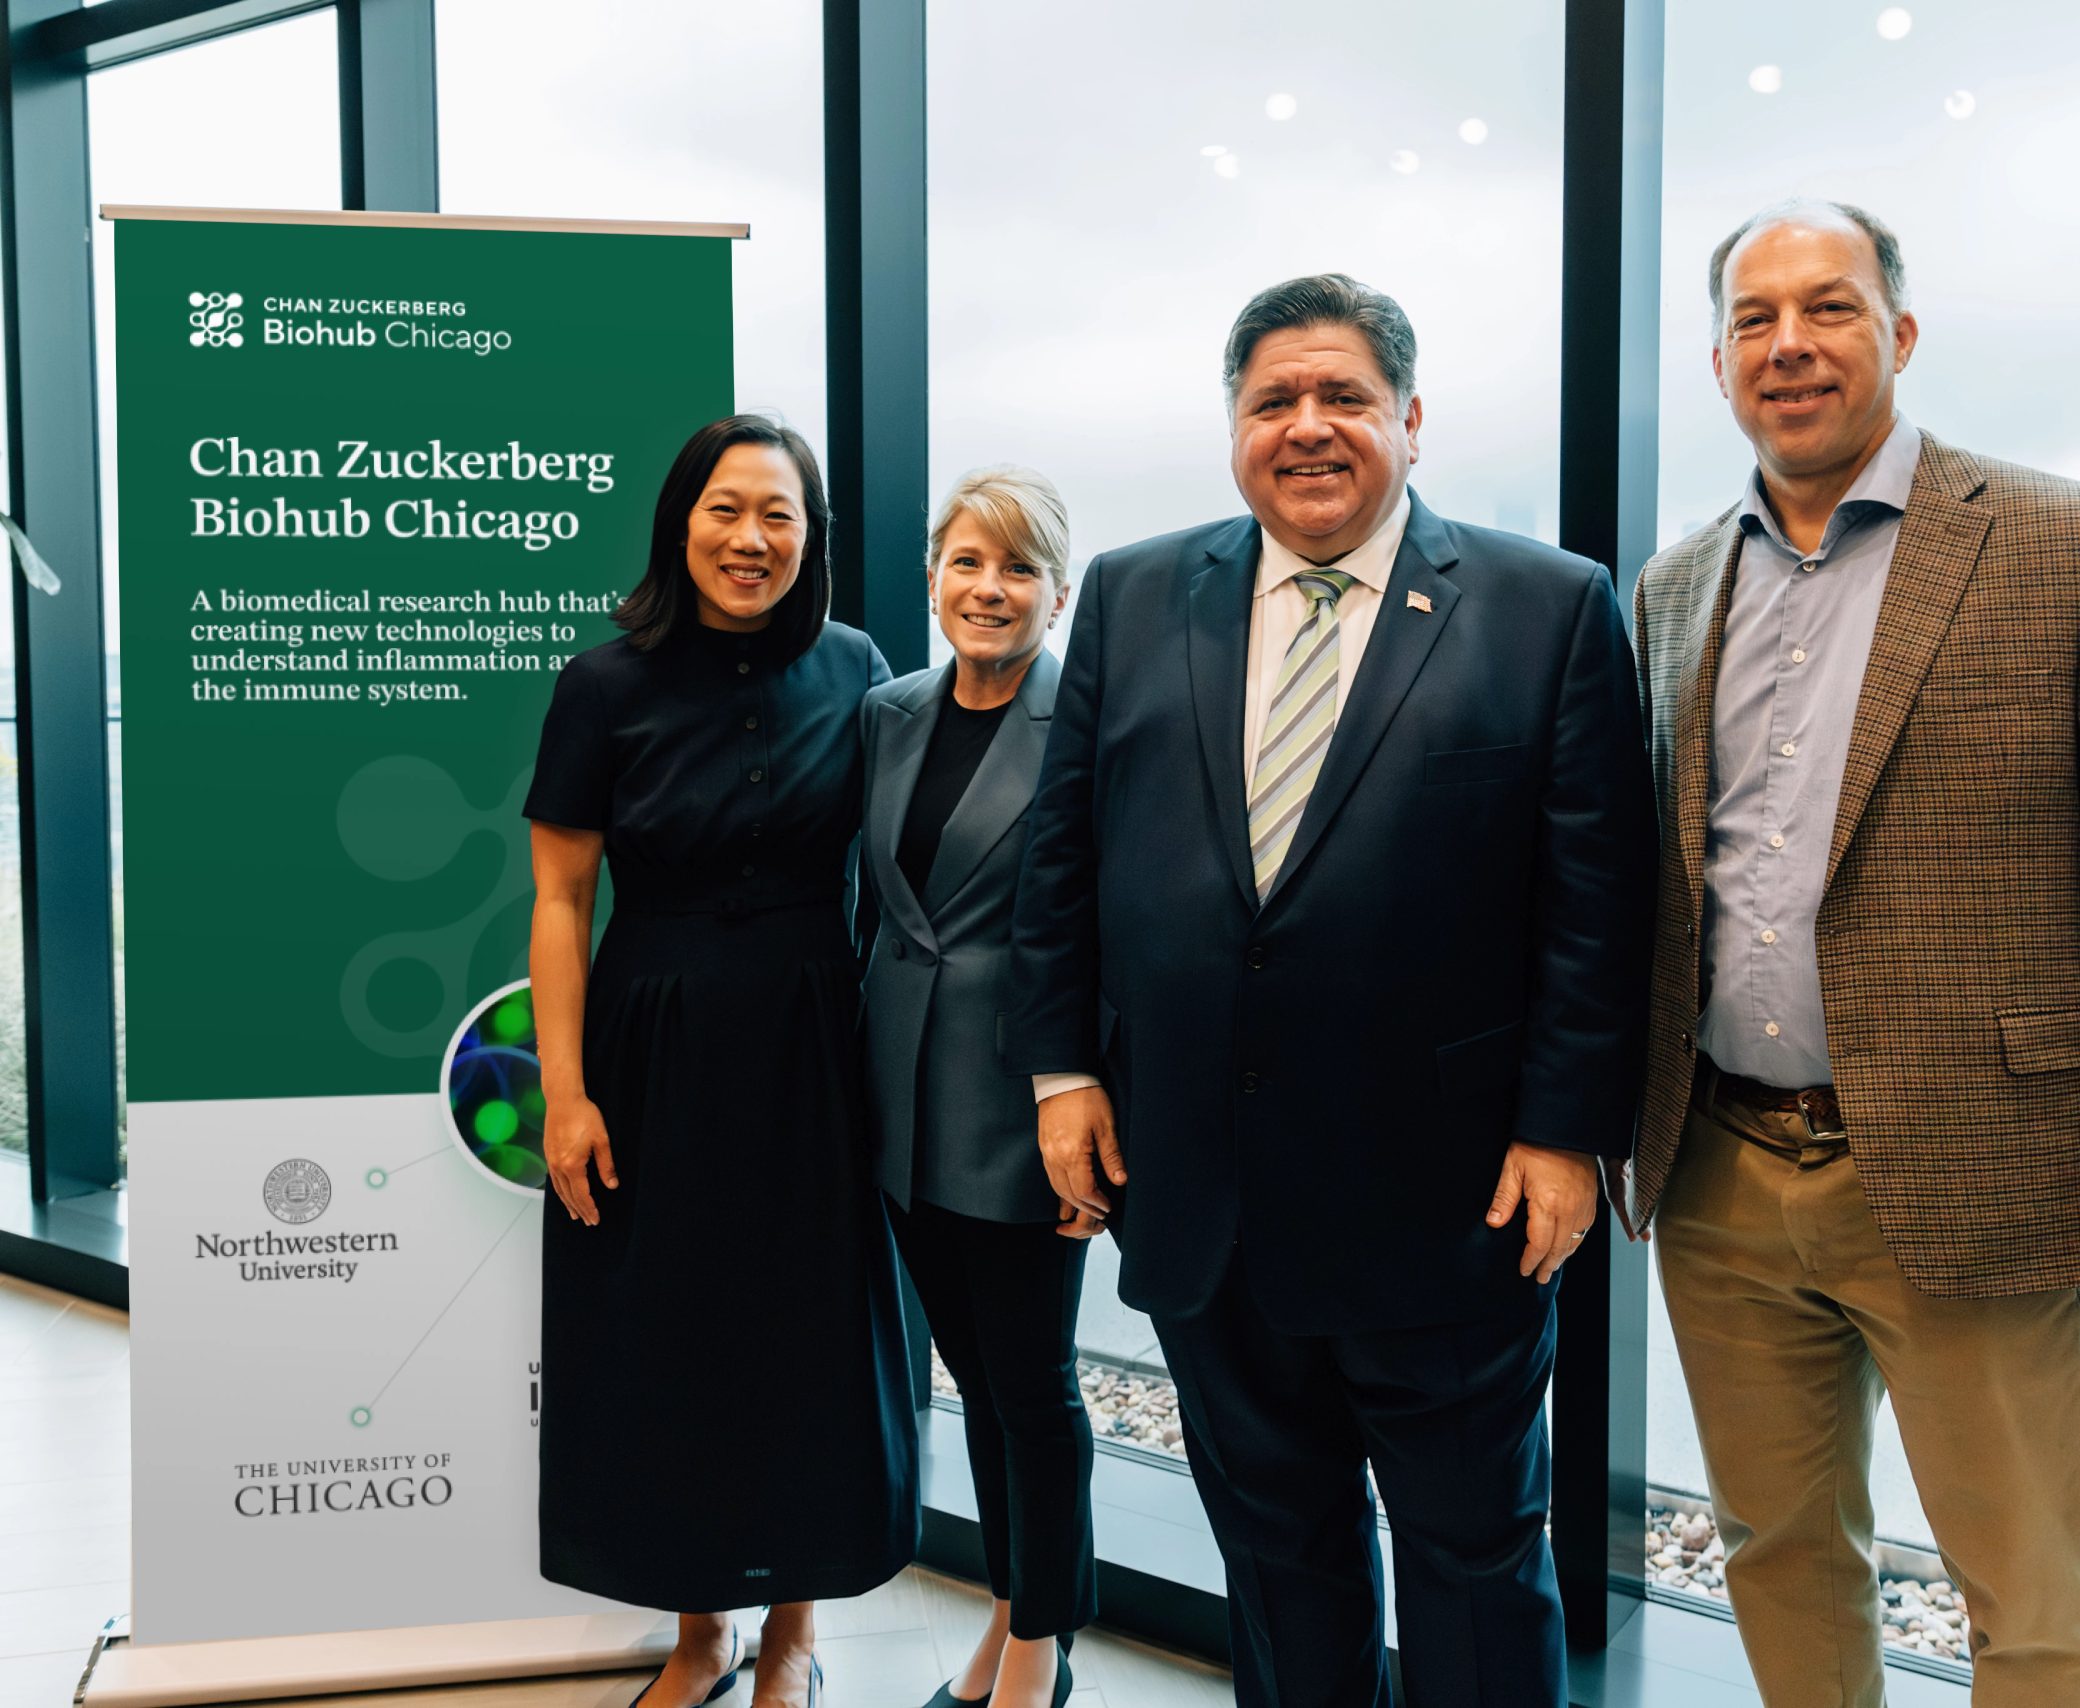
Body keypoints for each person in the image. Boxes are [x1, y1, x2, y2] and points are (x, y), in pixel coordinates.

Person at [1617, 200, 2080, 1708]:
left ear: (1897, 334)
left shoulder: (2072, 545)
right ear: (1718, 366)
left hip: (1973, 1162)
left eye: (1827, 308)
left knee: (2028, 1593)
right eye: (1755, 320)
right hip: (1717, 1168)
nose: (1791, 344)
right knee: (1776, 1550)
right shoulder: (1675, 586)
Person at [1004, 274, 1655, 1707]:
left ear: (1411, 420)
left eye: (1342, 397)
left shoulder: (1548, 607)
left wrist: (1565, 1132)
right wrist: (1062, 1073)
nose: (1307, 428)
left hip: (1451, 1204)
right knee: (1277, 1554)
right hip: (1204, 1193)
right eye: (1272, 401)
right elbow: (1065, 855)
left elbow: (1601, 905)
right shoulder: (1131, 590)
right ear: (1233, 428)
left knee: (1475, 1561)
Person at [526, 415, 914, 1708]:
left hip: (816, 1047)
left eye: (780, 517)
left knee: (805, 1336)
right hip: (652, 1043)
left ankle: (794, 1633)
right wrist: (565, 1093)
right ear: (680, 521)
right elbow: (560, 905)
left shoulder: (860, 667)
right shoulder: (601, 685)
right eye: (725, 511)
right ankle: (703, 1633)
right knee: (672, 1333)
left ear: (811, 538)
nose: (752, 540)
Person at [859, 466, 1090, 1708]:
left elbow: (1119, 939)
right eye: (965, 562)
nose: (985, 588)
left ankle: (1040, 1646)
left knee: (1034, 1389)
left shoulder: (1092, 726)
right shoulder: (887, 711)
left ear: (1055, 592)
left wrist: (1104, 1126)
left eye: (1015, 568)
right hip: (900, 1104)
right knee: (977, 1381)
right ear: (933, 575)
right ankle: (1009, 1615)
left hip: (1029, 1110)